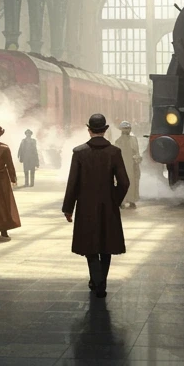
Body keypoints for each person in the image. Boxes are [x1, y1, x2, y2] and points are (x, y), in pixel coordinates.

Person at [62, 113, 129, 298]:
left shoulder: (79, 152)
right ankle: (101, 282)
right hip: (108, 205)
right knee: (106, 246)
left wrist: (68, 208)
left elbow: (73, 183)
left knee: (90, 246)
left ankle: (97, 281)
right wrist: (114, 199)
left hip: (85, 206)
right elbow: (124, 182)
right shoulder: (114, 152)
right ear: (105, 130)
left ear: (89, 129)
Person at [113, 122, 142, 208]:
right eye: (126, 129)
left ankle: (130, 201)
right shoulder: (118, 141)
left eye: (128, 128)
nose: (128, 130)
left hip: (131, 166)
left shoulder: (133, 139)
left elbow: (136, 152)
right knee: (124, 183)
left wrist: (137, 159)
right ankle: (123, 201)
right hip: (123, 166)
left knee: (131, 183)